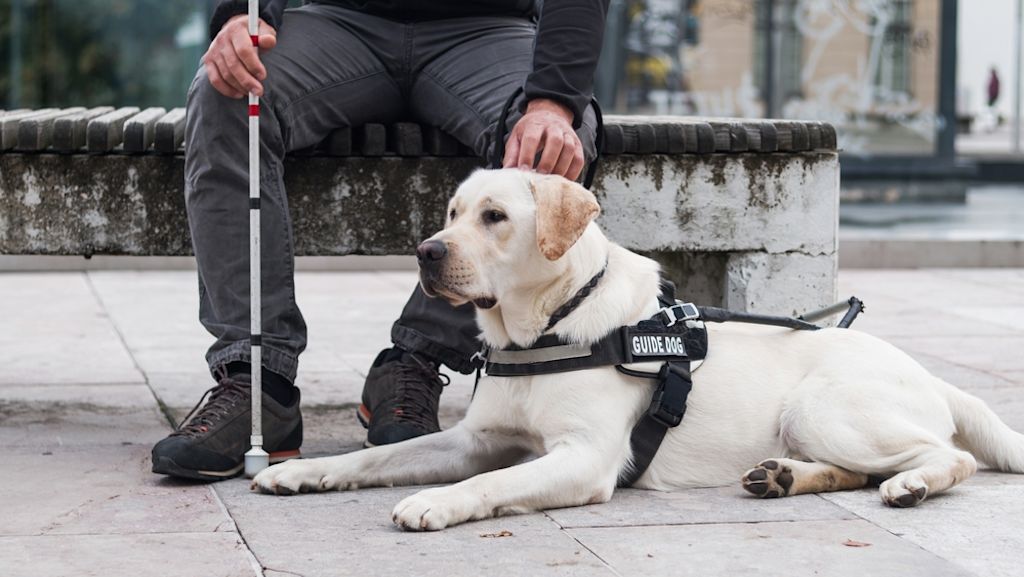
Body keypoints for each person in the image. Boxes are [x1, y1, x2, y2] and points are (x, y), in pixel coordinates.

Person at [151, 0, 609, 481]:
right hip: (336, 20)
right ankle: (257, 381)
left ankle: (414, 362)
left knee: (551, 141)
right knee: (224, 93)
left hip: (488, 29)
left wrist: (552, 103)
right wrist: (238, 16)